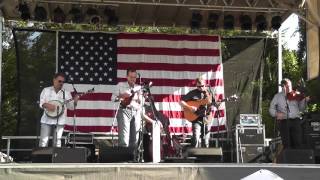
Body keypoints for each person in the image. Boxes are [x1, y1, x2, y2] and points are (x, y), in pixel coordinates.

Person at [39, 73, 78, 147]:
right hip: (46, 120)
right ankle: (42, 158)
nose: (61, 83)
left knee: (57, 142)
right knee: (44, 141)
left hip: (60, 121)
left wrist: (75, 101)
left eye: (63, 82)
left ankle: (56, 158)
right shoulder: (46, 90)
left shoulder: (66, 93)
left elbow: (71, 107)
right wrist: (48, 105)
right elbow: (41, 103)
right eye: (59, 81)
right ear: (54, 80)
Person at [269, 78, 309, 149]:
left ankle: (297, 159)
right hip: (284, 122)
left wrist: (304, 101)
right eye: (287, 86)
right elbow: (271, 109)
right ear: (283, 87)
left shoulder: (297, 94)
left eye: (290, 86)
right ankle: (288, 159)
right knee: (286, 144)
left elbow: (302, 109)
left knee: (298, 143)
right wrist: (276, 114)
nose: (289, 88)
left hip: (296, 121)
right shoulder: (277, 96)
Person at [112, 68, 142, 149]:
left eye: (134, 77)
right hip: (124, 111)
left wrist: (141, 98)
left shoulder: (139, 88)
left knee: (135, 138)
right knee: (124, 137)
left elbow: (142, 103)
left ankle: (133, 158)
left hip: (136, 112)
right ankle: (123, 159)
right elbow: (113, 98)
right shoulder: (120, 85)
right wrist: (122, 96)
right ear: (127, 77)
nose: (133, 79)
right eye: (131, 77)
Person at [180, 77, 213, 148]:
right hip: (196, 118)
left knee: (206, 140)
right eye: (199, 86)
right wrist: (190, 107)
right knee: (196, 137)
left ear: (205, 85)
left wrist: (218, 103)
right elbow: (181, 102)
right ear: (196, 86)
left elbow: (215, 103)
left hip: (207, 118)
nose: (201, 88)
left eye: (202, 86)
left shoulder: (209, 92)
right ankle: (194, 156)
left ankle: (205, 157)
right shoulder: (193, 93)